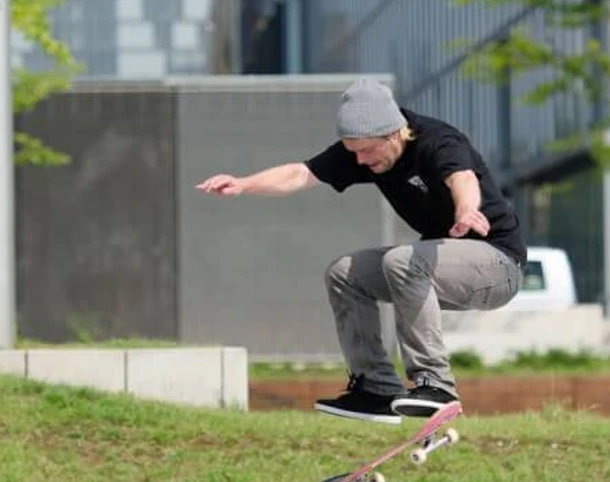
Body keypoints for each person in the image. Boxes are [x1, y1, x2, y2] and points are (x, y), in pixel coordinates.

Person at [196, 78, 526, 425]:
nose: (361, 160)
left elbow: (462, 178)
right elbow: (299, 174)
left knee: (402, 261)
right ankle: (376, 389)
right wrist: (243, 184)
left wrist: (465, 211)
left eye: (367, 151)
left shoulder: (438, 141)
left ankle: (436, 385)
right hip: (442, 265)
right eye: (353, 152)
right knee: (344, 274)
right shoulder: (363, 151)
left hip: (497, 262)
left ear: (394, 134)